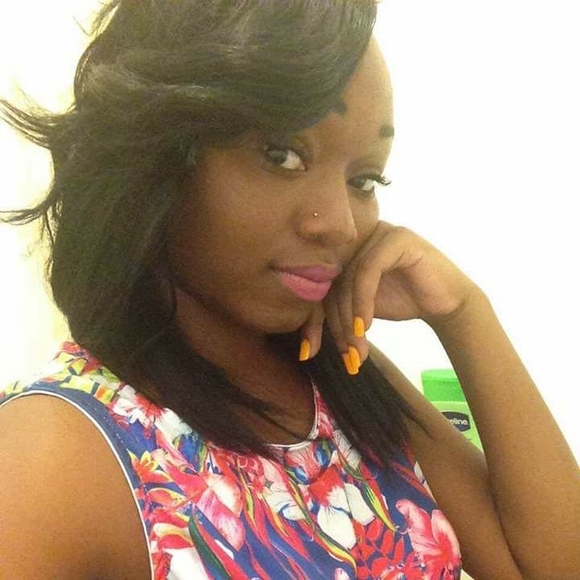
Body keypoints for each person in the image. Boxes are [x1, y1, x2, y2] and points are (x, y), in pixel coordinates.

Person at [0, 1, 578, 579]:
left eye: (364, 179)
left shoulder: (342, 381)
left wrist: (463, 312)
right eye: (282, 155)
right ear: (154, 154)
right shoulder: (54, 454)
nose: (340, 225)